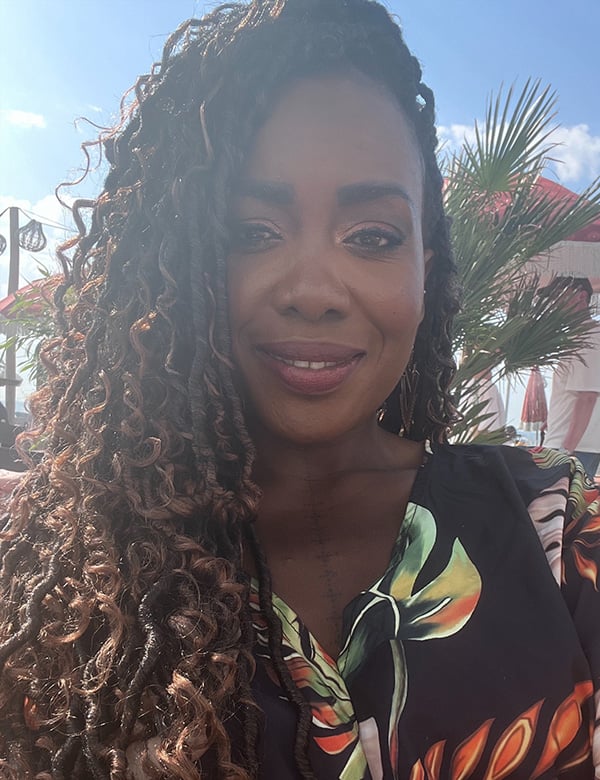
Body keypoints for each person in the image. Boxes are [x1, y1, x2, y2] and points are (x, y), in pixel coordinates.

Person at [0, 2, 599, 778]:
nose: (314, 291)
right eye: (252, 232)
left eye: (373, 236)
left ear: (425, 267)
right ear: (171, 266)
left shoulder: (557, 526)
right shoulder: (62, 571)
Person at [543, 277, 600, 481]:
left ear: (581, 296)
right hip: (568, 444)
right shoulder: (580, 336)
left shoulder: (590, 336)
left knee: (561, 501)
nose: (554, 304)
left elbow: (588, 396)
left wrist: (566, 450)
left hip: (572, 448)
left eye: (558, 297)